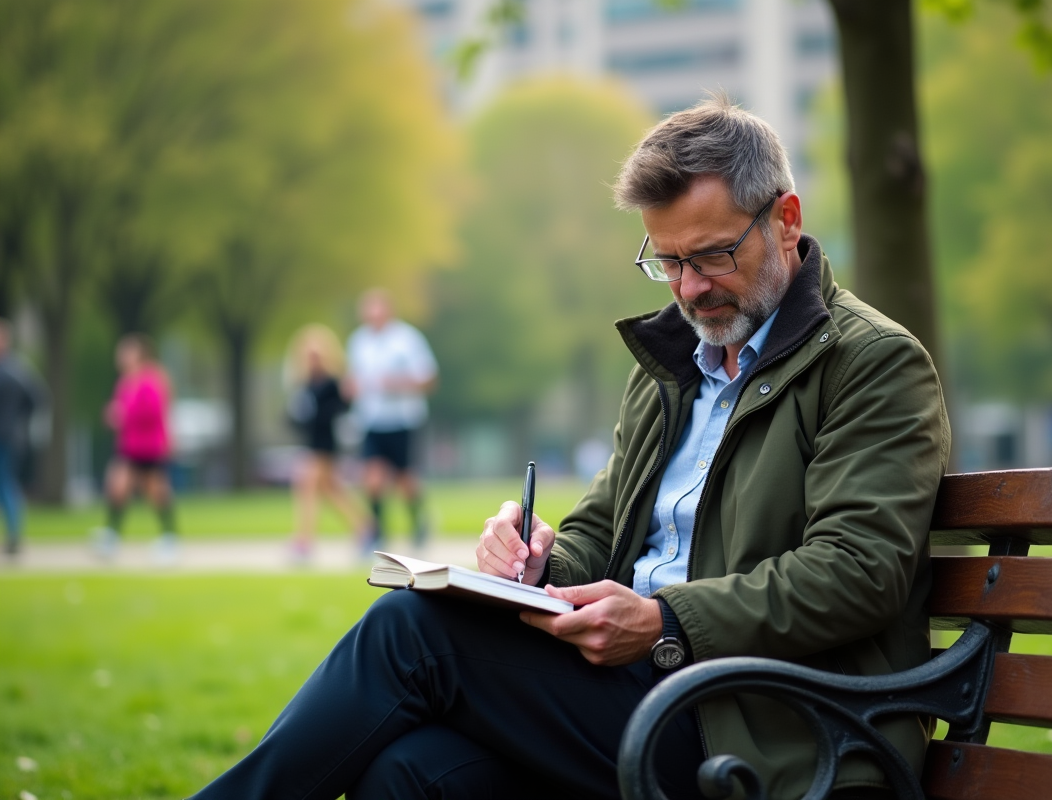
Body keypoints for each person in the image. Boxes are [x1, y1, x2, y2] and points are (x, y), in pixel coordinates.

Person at [191, 95, 949, 800]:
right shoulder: (671, 369)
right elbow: (601, 525)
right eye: (667, 261)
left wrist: (665, 622)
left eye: (712, 255)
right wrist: (539, 565)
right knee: (411, 772)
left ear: (786, 219)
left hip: (767, 722)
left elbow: (857, 573)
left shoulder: (872, 363)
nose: (687, 291)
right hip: (647, 693)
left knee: (413, 634)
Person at [344, 289, 438, 554]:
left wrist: (397, 383)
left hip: (403, 419)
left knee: (405, 480)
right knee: (372, 479)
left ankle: (419, 519)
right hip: (372, 420)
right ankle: (377, 532)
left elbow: (428, 378)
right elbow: (355, 378)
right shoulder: (358, 342)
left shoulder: (407, 340)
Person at [94, 334, 178, 563]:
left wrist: (122, 415)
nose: (121, 356)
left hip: (149, 445)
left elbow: (154, 411)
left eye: (126, 351)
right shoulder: (126, 381)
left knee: (157, 492)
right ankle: (111, 536)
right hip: (130, 445)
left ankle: (169, 539)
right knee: (117, 488)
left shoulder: (152, 378)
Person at [285, 324, 363, 561]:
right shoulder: (305, 384)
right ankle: (365, 527)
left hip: (325, 444)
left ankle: (303, 541)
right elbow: (296, 416)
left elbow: (341, 408)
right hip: (311, 443)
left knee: (305, 485)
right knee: (331, 490)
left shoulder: (331, 383)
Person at [0, 319, 42, 557]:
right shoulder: (19, 370)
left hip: (7, 437)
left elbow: (36, 399)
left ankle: (14, 535)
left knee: (5, 484)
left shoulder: (16, 371)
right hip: (12, 435)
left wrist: (19, 423)